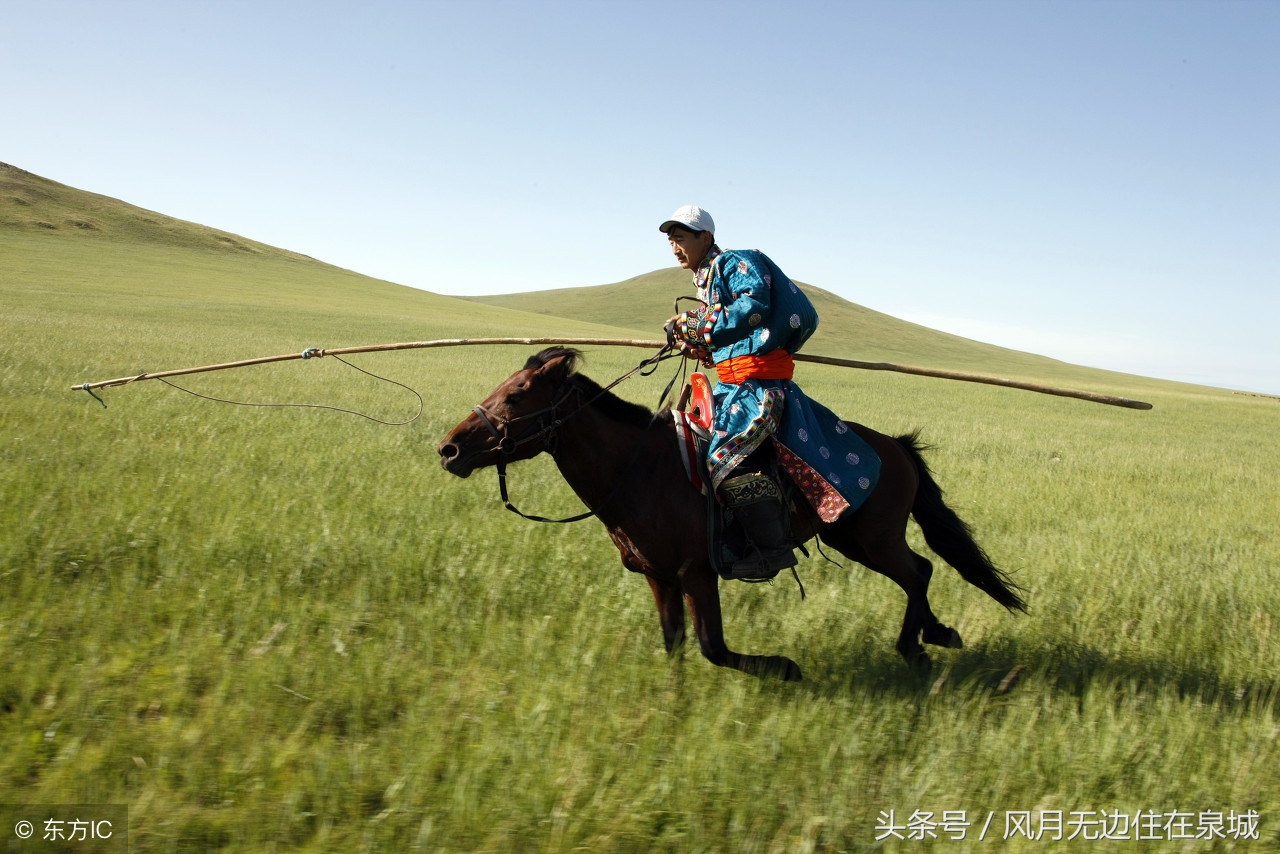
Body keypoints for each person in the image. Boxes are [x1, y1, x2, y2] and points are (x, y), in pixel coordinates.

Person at [660, 205, 881, 580]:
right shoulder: (706, 279)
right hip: (729, 387)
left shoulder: (737, 262)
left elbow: (753, 309)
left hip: (758, 390)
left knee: (723, 458)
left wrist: (693, 325)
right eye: (671, 240)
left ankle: (772, 550)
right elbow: (730, 344)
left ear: (706, 238)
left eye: (681, 238)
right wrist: (695, 344)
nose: (675, 246)